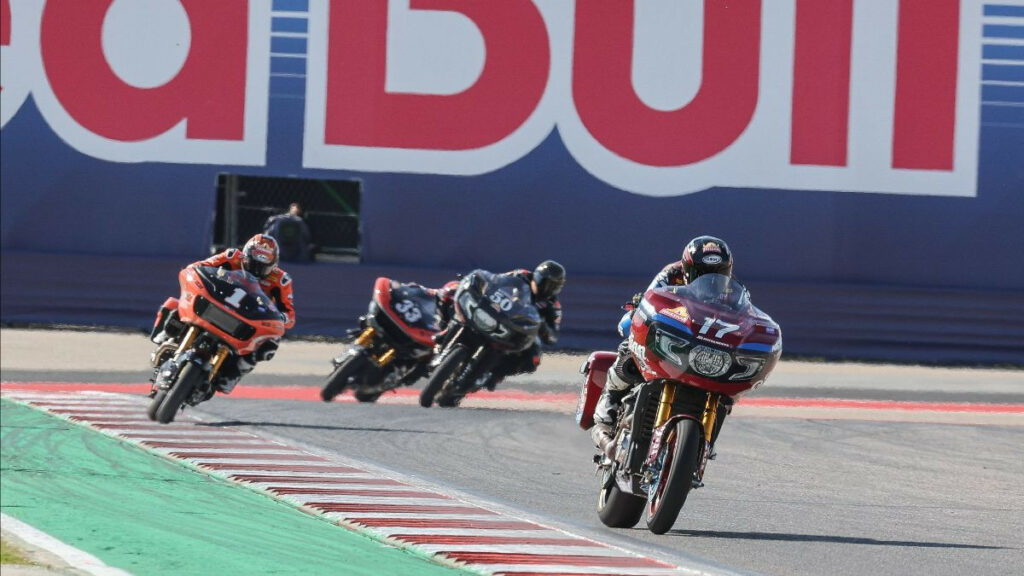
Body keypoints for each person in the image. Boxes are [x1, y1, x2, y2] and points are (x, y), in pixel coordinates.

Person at [591, 236, 733, 457]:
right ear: (687, 269)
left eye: (718, 273)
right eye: (703, 274)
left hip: (701, 347)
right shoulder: (671, 274)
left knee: (727, 387)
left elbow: (743, 319)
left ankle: (706, 436)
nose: (711, 281)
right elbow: (650, 298)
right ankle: (609, 399)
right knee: (631, 347)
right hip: (672, 333)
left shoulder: (733, 291)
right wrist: (638, 307)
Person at [150, 234, 296, 393]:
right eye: (252, 263)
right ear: (245, 255)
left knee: (271, 343)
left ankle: (234, 374)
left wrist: (280, 318)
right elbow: (198, 267)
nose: (256, 270)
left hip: (247, 318)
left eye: (263, 267)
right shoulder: (231, 256)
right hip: (217, 303)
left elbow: (289, 315)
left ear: (273, 264)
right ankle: (165, 337)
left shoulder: (281, 280)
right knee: (174, 304)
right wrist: (195, 276)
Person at [436, 260, 566, 388]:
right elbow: (496, 281)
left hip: (514, 331)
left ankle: (492, 374)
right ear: (537, 277)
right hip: (496, 312)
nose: (546, 287)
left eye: (552, 285)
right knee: (453, 292)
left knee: (533, 357)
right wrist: (482, 286)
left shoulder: (553, 306)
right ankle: (443, 333)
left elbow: (553, 337)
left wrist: (544, 328)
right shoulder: (521, 275)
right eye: (543, 281)